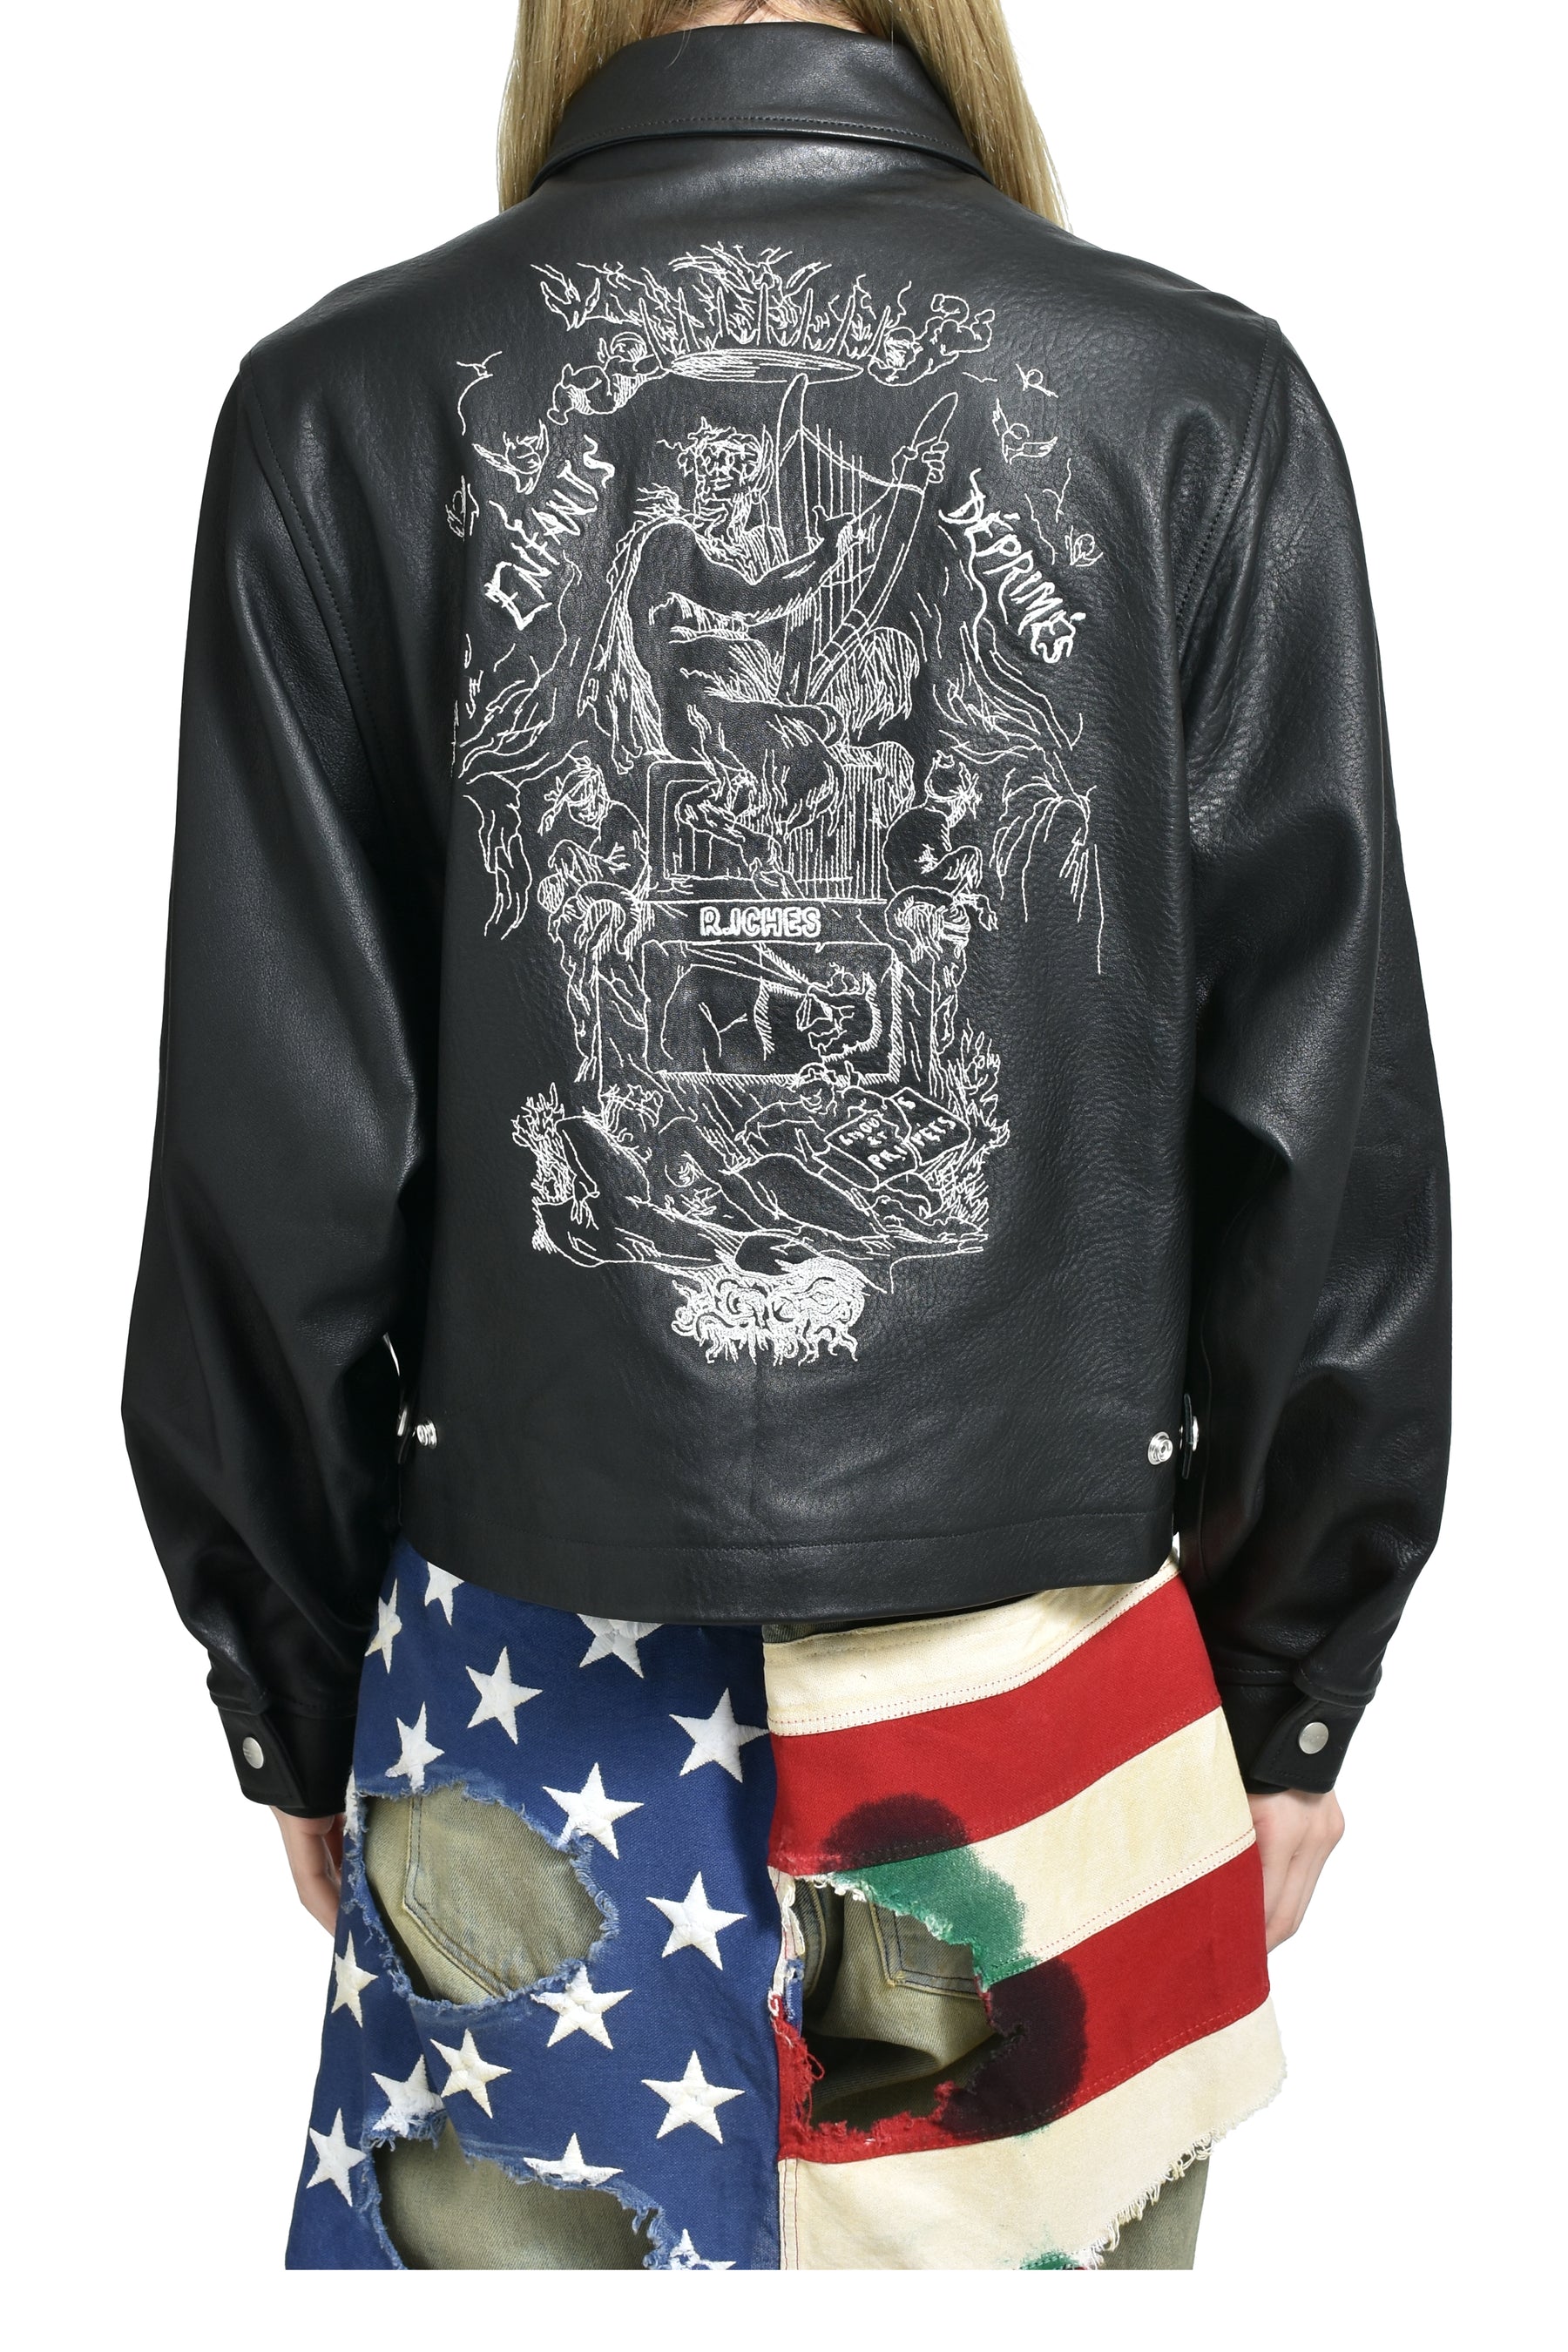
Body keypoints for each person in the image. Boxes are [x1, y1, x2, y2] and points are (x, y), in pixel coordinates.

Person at [123, 0, 1450, 2273]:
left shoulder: (347, 402)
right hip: (1051, 1691)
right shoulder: (1192, 396)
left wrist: (299, 1677)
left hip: (521, 1687)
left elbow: (277, 1150)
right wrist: (1290, 1682)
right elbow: (1323, 1140)